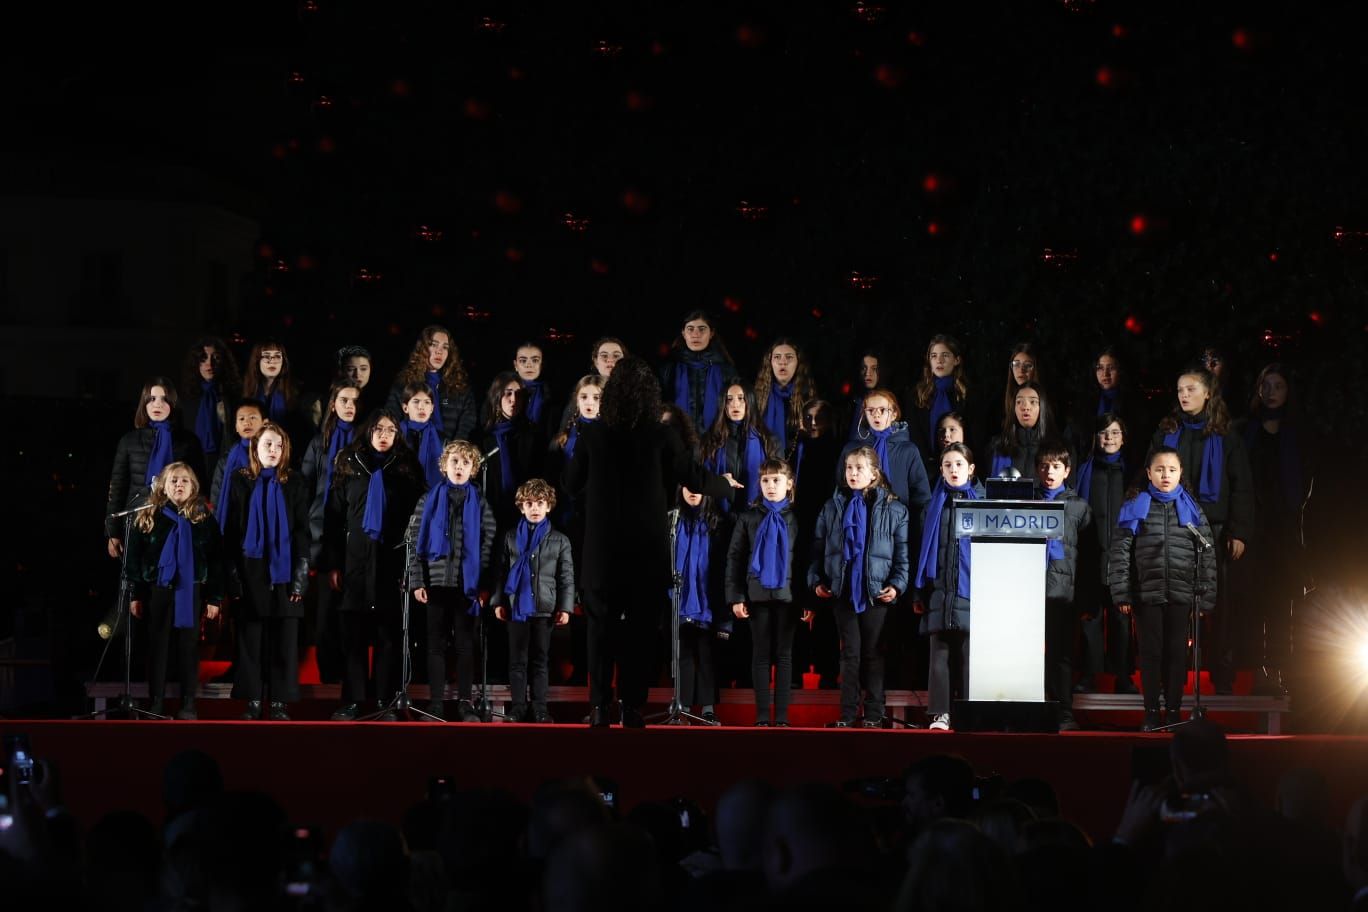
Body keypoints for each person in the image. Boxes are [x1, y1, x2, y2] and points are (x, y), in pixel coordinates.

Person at [564, 356, 738, 728]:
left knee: (600, 629)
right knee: (640, 631)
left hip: (602, 551)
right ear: (649, 397)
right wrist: (725, 485)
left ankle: (598, 708)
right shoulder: (662, 436)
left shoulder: (592, 435)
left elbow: (570, 484)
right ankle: (631, 708)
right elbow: (694, 479)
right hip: (645, 552)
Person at [1152, 366, 1253, 694]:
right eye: (1180, 389)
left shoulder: (1225, 435)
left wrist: (1238, 531)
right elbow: (1149, 475)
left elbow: (1241, 485)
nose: (1184, 395)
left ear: (1208, 393)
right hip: (1175, 527)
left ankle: (1222, 679)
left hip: (1217, 530)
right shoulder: (1168, 430)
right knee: (1178, 605)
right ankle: (1175, 680)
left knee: (1218, 607)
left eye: (1191, 389)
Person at [324, 411, 425, 721]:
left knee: (388, 635)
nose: (384, 434)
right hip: (354, 560)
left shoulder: (406, 468)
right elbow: (333, 517)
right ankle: (353, 701)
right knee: (353, 635)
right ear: (368, 432)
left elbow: (417, 518)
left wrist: (411, 567)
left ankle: (385, 699)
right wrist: (333, 563)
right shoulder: (349, 464)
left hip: (391, 561)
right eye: (378, 428)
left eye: (391, 430)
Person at [1109, 446, 1217, 730]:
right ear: (1148, 473)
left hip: (1182, 594)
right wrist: (1122, 592)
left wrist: (1205, 599)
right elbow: (1120, 552)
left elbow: (1207, 556)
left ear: (1181, 473)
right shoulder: (1135, 506)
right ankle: (1151, 711)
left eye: (1171, 469)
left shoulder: (1193, 510)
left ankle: (1172, 710)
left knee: (1176, 654)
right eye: (1159, 469)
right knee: (1151, 654)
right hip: (1147, 594)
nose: (1165, 475)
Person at [809, 446, 910, 727]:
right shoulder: (832, 506)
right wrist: (816, 580)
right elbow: (817, 549)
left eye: (859, 468)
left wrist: (897, 585)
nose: (852, 473)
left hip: (876, 592)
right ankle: (847, 714)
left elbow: (901, 554)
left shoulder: (894, 508)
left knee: (873, 654)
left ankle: (874, 715)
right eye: (849, 468)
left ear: (874, 473)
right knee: (849, 654)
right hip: (843, 591)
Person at [222, 422, 311, 720]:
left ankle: (279, 703)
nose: (273, 450)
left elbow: (301, 532)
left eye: (278, 445)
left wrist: (300, 580)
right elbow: (232, 533)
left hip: (285, 571)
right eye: (267, 445)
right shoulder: (240, 481)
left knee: (284, 639)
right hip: (251, 570)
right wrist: (234, 580)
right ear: (255, 449)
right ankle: (253, 701)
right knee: (251, 638)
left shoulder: (295, 482)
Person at [1234, 363, 1312, 694]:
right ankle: (1254, 671)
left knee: (1282, 602)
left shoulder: (1298, 432)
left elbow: (1304, 484)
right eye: (1265, 385)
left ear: (1288, 391)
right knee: (1251, 600)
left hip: (1284, 529)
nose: (1271, 392)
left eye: (1278, 385)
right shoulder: (1244, 430)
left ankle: (1280, 671)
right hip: (1252, 526)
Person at [123, 462, 224, 719]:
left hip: (190, 590)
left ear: (193, 487)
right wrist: (136, 594)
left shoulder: (203, 517)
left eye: (184, 481)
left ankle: (188, 702)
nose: (179, 484)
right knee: (158, 646)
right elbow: (134, 558)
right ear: (163, 486)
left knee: (189, 647)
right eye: (173, 480)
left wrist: (214, 597)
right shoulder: (150, 516)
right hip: (159, 589)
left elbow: (216, 560)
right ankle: (155, 701)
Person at [407, 440, 497, 721]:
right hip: (435, 584)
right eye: (454, 461)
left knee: (465, 645)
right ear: (444, 466)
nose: (459, 466)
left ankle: (465, 703)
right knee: (435, 644)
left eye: (466, 463)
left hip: (466, 586)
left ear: (474, 469)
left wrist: (483, 584)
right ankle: (435, 704)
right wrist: (417, 581)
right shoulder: (428, 499)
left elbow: (488, 545)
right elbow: (414, 544)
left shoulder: (480, 503)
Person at [727, 459, 804, 726]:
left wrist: (807, 600)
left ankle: (781, 717)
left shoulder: (797, 517)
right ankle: (762, 717)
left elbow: (804, 560)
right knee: (760, 655)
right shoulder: (749, 517)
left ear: (789, 483)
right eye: (765, 481)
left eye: (776, 480)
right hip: (757, 595)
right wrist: (736, 596)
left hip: (788, 597)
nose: (771, 486)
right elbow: (735, 558)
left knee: (784, 656)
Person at [913, 443, 985, 731]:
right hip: (940, 591)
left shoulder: (982, 504)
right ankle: (940, 713)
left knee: (969, 656)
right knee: (939, 654)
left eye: (959, 464)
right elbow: (922, 551)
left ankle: (968, 710)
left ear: (971, 469)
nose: (953, 470)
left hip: (972, 591)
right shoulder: (933, 506)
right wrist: (920, 591)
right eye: (947, 465)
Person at [492, 478, 575, 723]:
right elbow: (501, 571)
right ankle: (518, 707)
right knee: (517, 660)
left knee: (540, 660)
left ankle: (540, 708)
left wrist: (565, 606)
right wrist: (498, 601)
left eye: (540, 503)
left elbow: (566, 576)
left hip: (544, 608)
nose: (535, 508)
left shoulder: (560, 540)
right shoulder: (510, 537)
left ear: (549, 506)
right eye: (529, 503)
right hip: (517, 607)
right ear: (521, 507)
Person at [298, 383, 359, 683]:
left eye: (355, 402)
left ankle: (351, 679)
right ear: (333, 404)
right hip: (321, 538)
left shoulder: (365, 442)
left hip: (354, 540)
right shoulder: (318, 443)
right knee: (324, 616)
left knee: (350, 617)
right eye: (344, 400)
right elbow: (306, 489)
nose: (349, 406)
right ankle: (328, 676)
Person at [106, 378, 206, 559]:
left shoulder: (189, 442)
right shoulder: (129, 441)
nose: (157, 404)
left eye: (164, 399)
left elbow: (200, 487)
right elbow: (117, 488)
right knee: (134, 582)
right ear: (144, 403)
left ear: (173, 404)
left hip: (177, 521)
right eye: (152, 399)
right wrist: (113, 533)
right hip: (136, 522)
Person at [1073, 412, 1136, 694]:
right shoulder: (1084, 471)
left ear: (1124, 438)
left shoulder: (1132, 473)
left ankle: (1122, 676)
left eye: (1114, 432)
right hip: (1090, 556)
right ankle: (1090, 675)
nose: (1109, 437)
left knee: (1122, 622)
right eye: (1103, 432)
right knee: (1091, 620)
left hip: (1123, 558)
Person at [1035, 441, 1092, 731]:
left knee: (1060, 655)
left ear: (1067, 470)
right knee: (1030, 653)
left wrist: (1084, 598)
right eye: (1044, 465)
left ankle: (1063, 712)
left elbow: (1088, 556)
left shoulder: (1079, 508)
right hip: (1028, 593)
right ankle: (1032, 710)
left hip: (1063, 594)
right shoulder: (1026, 503)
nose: (1049, 471)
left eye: (1056, 466)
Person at [672, 485, 728, 724]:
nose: (693, 492)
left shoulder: (718, 524)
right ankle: (682, 706)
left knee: (706, 655)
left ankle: (707, 707)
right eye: (687, 487)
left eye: (699, 487)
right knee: (682, 654)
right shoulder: (672, 522)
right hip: (678, 598)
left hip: (708, 598)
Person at [477, 372, 547, 532]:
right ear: (497, 396)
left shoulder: (532, 435)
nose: (513, 399)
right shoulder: (481, 437)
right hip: (488, 518)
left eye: (518, 395)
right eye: (508, 393)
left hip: (524, 516)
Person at [385, 324, 477, 442]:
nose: (439, 351)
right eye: (434, 345)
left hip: (450, 455)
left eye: (445, 347)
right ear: (422, 348)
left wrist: (456, 448)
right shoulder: (404, 384)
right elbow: (391, 419)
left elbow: (468, 422)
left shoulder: (459, 386)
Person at [701, 380, 778, 510]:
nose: (735, 404)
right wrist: (718, 481)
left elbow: (777, 480)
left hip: (756, 515)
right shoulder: (710, 440)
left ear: (750, 402)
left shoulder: (769, 440)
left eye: (741, 399)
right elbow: (700, 478)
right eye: (729, 399)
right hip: (716, 516)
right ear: (723, 405)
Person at [660, 309, 735, 433]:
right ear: (683, 333)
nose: (696, 334)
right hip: (678, 444)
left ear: (711, 333)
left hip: (716, 444)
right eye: (690, 329)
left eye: (702, 329)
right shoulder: (669, 369)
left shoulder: (726, 371)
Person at [906, 334, 980, 459]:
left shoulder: (969, 395)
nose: (939, 361)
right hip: (926, 469)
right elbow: (915, 438)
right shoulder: (917, 396)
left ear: (957, 360)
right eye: (934, 356)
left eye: (945, 355)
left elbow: (975, 437)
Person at [753, 338, 818, 459]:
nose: (783, 362)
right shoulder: (758, 397)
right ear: (770, 362)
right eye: (777, 357)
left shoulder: (808, 398)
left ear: (798, 362)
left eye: (789, 357)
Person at [180, 336, 241, 465]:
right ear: (196, 363)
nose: (210, 364)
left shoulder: (233, 396)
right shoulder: (187, 398)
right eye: (203, 359)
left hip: (226, 461)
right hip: (193, 461)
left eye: (216, 358)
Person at [240, 341, 315, 445]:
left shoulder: (296, 392)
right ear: (257, 361)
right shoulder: (244, 392)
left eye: (277, 356)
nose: (272, 361)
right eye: (266, 356)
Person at [986, 381, 1058, 482]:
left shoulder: (1058, 449)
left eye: (1033, 402)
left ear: (1042, 407)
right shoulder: (998, 447)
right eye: (1019, 402)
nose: (1025, 407)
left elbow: (1069, 492)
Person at [211, 400, 265, 530]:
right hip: (233, 525)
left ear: (264, 423)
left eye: (252, 417)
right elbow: (216, 498)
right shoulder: (226, 460)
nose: (247, 422)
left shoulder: (271, 456)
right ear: (236, 427)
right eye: (241, 419)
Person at [398, 382, 444, 489]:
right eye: (416, 401)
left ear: (432, 408)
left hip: (429, 494)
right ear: (405, 408)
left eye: (427, 402)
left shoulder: (441, 438)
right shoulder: (396, 434)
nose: (421, 407)